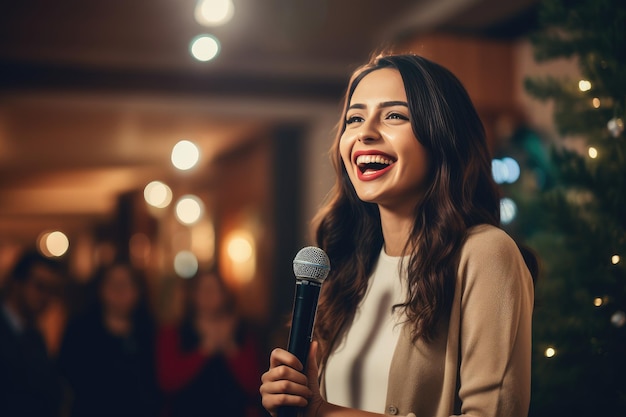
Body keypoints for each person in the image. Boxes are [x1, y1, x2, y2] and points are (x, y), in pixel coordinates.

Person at [260, 54, 536, 417]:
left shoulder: (485, 254)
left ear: (442, 136)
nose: (365, 133)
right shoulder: (346, 268)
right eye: (354, 118)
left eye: (394, 116)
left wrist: (322, 411)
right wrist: (293, 395)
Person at [58, 262, 161, 417]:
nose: (119, 291)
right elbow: (67, 375)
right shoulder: (80, 330)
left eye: (126, 284)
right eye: (113, 283)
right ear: (101, 289)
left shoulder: (149, 332)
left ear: (138, 291)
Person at [156, 271, 263, 417]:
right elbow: (167, 382)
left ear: (225, 294)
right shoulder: (174, 331)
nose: (208, 295)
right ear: (193, 294)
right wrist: (205, 349)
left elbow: (255, 386)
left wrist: (230, 347)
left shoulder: (241, 331)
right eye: (203, 289)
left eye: (214, 289)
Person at [0, 249, 66, 417]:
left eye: (52, 290)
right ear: (17, 283)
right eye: (40, 286)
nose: (45, 296)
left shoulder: (34, 335)